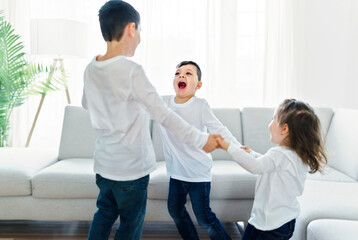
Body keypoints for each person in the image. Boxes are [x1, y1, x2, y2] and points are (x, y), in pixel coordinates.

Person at [81, 1, 220, 240]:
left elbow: (86, 103)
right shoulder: (132, 71)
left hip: (104, 166)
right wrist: (201, 139)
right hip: (131, 170)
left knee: (104, 214)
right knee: (130, 223)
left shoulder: (91, 67)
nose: (140, 38)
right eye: (140, 32)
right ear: (131, 29)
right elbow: (163, 115)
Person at [217, 99, 327, 240]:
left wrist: (229, 147)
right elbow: (268, 163)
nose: (270, 124)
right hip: (279, 220)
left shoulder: (280, 154)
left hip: (272, 225)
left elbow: (256, 166)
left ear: (285, 129)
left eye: (273, 119)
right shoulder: (295, 155)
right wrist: (252, 153)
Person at [156, 61, 239, 240]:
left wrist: (238, 148)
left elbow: (219, 129)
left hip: (198, 173)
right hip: (177, 173)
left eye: (188, 73)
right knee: (175, 209)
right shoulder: (162, 103)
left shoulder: (200, 106)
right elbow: (139, 107)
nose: (181, 76)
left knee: (204, 217)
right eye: (177, 73)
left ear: (198, 85)